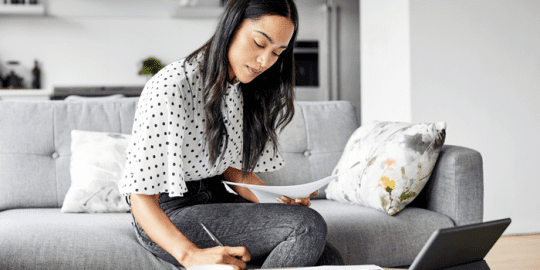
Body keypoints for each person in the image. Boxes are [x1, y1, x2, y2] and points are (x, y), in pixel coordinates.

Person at [119, 0, 344, 269]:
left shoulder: (239, 86)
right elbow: (140, 196)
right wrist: (191, 256)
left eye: (277, 53)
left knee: (328, 257)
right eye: (260, 44)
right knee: (307, 226)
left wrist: (280, 200)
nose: (265, 61)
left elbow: (234, 172)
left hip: (214, 199)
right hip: (167, 214)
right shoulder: (173, 85)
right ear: (231, 27)